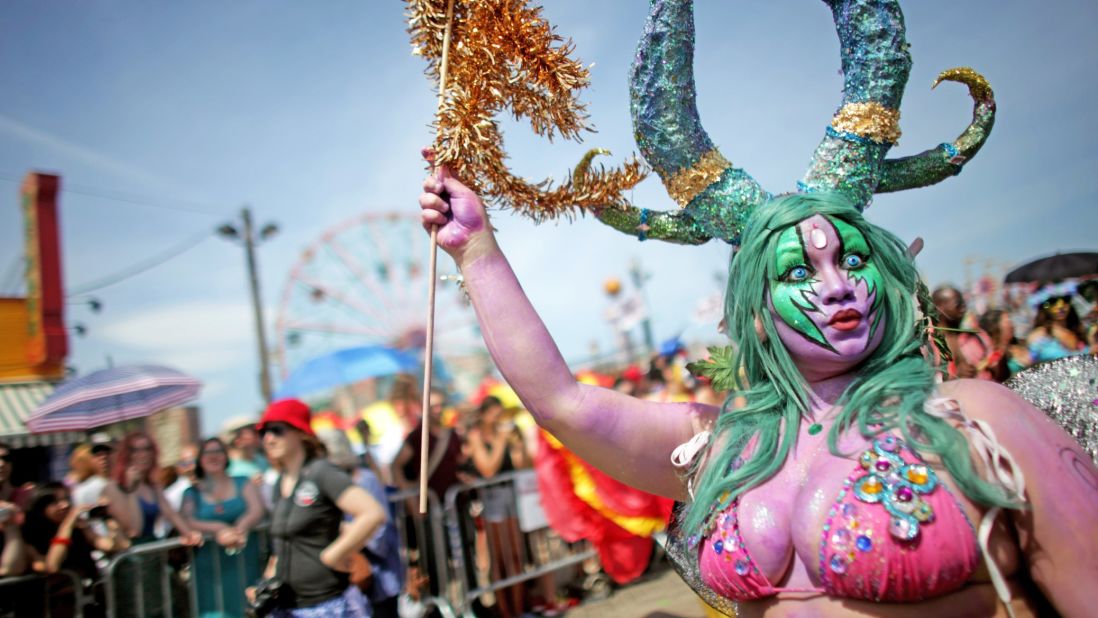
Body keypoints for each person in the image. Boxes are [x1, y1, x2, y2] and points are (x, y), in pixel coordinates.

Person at [419, 165, 1098, 615]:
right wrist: (476, 253)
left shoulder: (975, 420)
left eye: (852, 260)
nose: (835, 286)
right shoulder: (731, 445)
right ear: (755, 308)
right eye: (799, 271)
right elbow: (565, 404)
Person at [252, 398, 386, 617]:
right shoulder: (280, 482)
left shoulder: (321, 472)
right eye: (263, 432)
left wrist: (333, 555)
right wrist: (266, 583)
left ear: (300, 432)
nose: (268, 438)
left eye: (277, 430)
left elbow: (372, 513)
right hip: (288, 606)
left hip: (325, 605)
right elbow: (285, 542)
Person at [101, 432, 201, 618]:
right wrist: (131, 490)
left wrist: (189, 533)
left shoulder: (153, 486)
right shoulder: (113, 488)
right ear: (127, 454)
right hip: (131, 562)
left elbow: (171, 513)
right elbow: (134, 528)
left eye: (147, 448)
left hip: (154, 559)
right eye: (136, 449)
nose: (142, 454)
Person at [318, 428, 403, 618]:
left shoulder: (365, 479)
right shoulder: (323, 486)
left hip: (377, 574)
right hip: (347, 580)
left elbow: (380, 531)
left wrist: (348, 531)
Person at [178, 437, 265, 618]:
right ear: (200, 460)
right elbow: (187, 519)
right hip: (209, 569)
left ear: (226, 456)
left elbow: (256, 509)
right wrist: (217, 528)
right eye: (208, 453)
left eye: (218, 451)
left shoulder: (243, 481)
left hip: (245, 560)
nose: (213, 456)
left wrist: (241, 528)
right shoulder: (191, 493)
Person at [464, 395, 529, 618]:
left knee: (516, 557)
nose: (500, 418)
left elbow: (521, 466)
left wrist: (518, 444)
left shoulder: (507, 434)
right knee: (500, 560)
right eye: (495, 414)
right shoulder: (476, 436)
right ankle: (505, 611)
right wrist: (501, 440)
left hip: (511, 494)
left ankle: (519, 609)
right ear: (484, 415)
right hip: (492, 500)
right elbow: (488, 469)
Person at [22, 482, 126, 618]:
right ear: (41, 506)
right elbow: (52, 565)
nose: (64, 505)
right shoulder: (31, 534)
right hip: (59, 606)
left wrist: (107, 517)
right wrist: (68, 524)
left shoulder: (78, 527)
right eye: (55, 502)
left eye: (66, 499)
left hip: (90, 601)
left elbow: (116, 546)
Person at [931, 285, 993, 379]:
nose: (963, 308)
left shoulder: (976, 337)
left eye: (964, 303)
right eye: (958, 303)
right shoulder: (926, 343)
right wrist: (955, 376)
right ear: (939, 306)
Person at [1026, 281, 1088, 363]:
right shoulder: (1038, 336)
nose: (1060, 306)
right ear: (1043, 306)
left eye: (1065, 299)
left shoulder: (1081, 329)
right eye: (1052, 301)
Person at [978, 309, 1033, 381]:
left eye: (1010, 321)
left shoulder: (1020, 346)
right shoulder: (989, 353)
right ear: (994, 326)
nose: (1012, 324)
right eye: (1007, 321)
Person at [72, 435, 113, 509]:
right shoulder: (83, 491)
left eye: (107, 453)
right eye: (98, 454)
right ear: (91, 459)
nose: (103, 457)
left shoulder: (128, 484)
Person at [164, 443, 198, 513]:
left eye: (192, 461)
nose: (189, 468)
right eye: (184, 464)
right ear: (179, 468)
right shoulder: (172, 494)